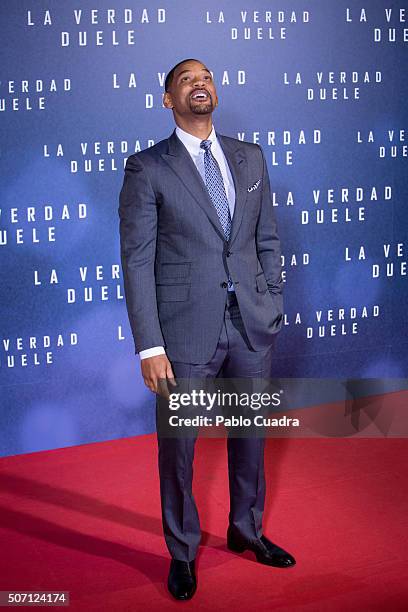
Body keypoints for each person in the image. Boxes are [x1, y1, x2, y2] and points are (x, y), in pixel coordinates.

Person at [118, 58, 295, 601]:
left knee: (250, 438)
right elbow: (137, 261)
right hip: (182, 334)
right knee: (180, 448)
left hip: (249, 326)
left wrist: (270, 300)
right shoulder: (147, 168)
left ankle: (248, 530)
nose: (200, 84)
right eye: (186, 79)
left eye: (207, 77)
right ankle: (182, 551)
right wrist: (150, 345)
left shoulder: (250, 157)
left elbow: (265, 239)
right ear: (167, 99)